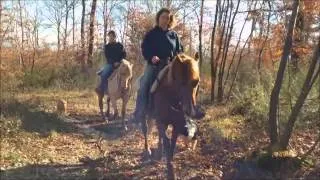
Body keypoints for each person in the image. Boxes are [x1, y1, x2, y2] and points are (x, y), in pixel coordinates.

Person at [131, 8, 183, 123]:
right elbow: (145, 48)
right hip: (155, 65)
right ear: (158, 18)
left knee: (184, 83)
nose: (165, 20)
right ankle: (140, 113)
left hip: (170, 65)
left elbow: (179, 50)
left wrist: (176, 59)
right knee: (144, 83)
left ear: (170, 20)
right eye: (163, 17)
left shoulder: (174, 35)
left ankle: (184, 113)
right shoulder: (151, 34)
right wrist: (152, 57)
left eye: (167, 18)